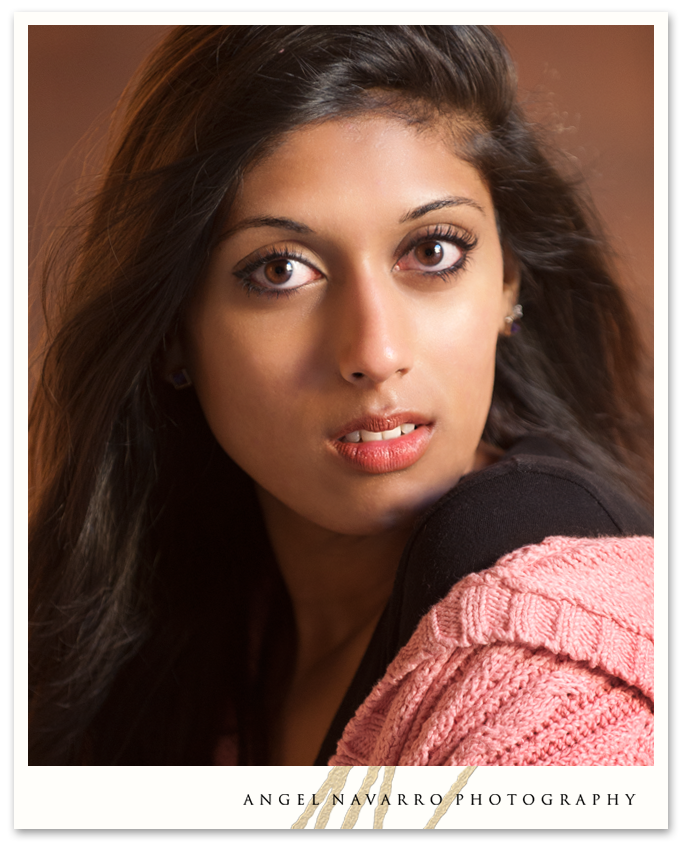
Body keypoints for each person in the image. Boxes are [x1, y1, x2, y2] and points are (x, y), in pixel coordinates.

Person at [28, 25, 653, 767]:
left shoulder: (555, 668)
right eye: (281, 271)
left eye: (432, 251)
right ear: (171, 332)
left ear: (507, 282)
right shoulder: (172, 628)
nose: (374, 354)